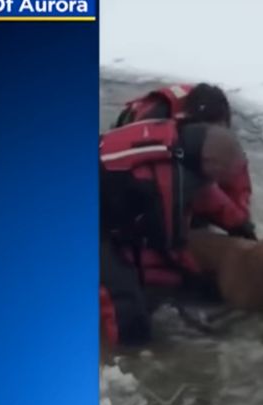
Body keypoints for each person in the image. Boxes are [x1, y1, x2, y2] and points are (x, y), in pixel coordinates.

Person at [99, 119, 248, 345]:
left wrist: (241, 227)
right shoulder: (168, 176)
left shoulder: (179, 140)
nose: (219, 180)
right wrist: (203, 276)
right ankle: (127, 360)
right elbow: (170, 242)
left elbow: (207, 195)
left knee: (159, 275)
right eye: (220, 174)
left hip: (105, 199)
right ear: (208, 161)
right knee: (125, 307)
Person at [112, 83, 255, 240]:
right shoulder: (156, 125)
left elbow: (236, 176)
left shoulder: (218, 128)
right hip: (131, 156)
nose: (216, 138)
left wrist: (241, 221)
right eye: (209, 135)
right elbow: (184, 186)